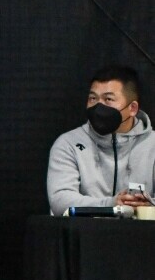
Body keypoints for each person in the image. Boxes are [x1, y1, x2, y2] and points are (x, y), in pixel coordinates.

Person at [47, 65, 155, 217]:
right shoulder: (68, 143)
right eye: (93, 98)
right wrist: (112, 204)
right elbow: (60, 201)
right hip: (84, 231)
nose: (98, 106)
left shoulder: (152, 143)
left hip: (141, 232)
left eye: (108, 99)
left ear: (132, 108)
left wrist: (147, 205)